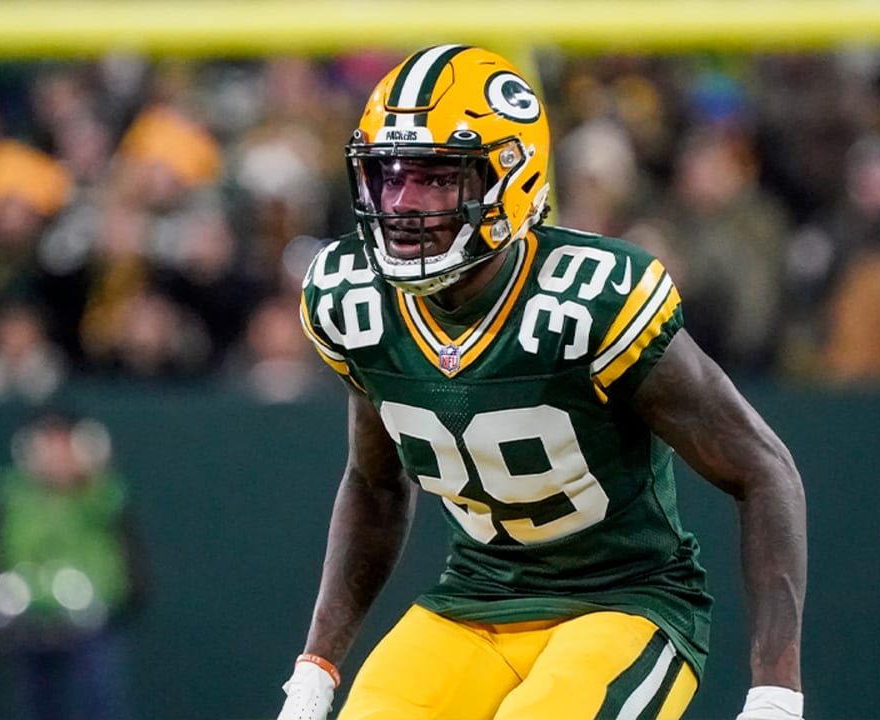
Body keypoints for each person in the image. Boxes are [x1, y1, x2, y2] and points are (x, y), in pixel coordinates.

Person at [280, 45, 807, 720]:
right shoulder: (354, 298)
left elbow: (763, 470)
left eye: (437, 178)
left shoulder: (589, 300)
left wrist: (775, 690)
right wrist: (317, 668)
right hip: (473, 602)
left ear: (510, 180)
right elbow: (376, 483)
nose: (404, 204)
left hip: (623, 603)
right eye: (390, 175)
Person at [0, 409, 148, 720]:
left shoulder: (104, 495)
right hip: (28, 623)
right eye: (48, 446)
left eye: (64, 446)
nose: (56, 457)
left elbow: (129, 552)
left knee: (99, 703)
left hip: (90, 627)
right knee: (38, 705)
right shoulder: (9, 494)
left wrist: (127, 599)